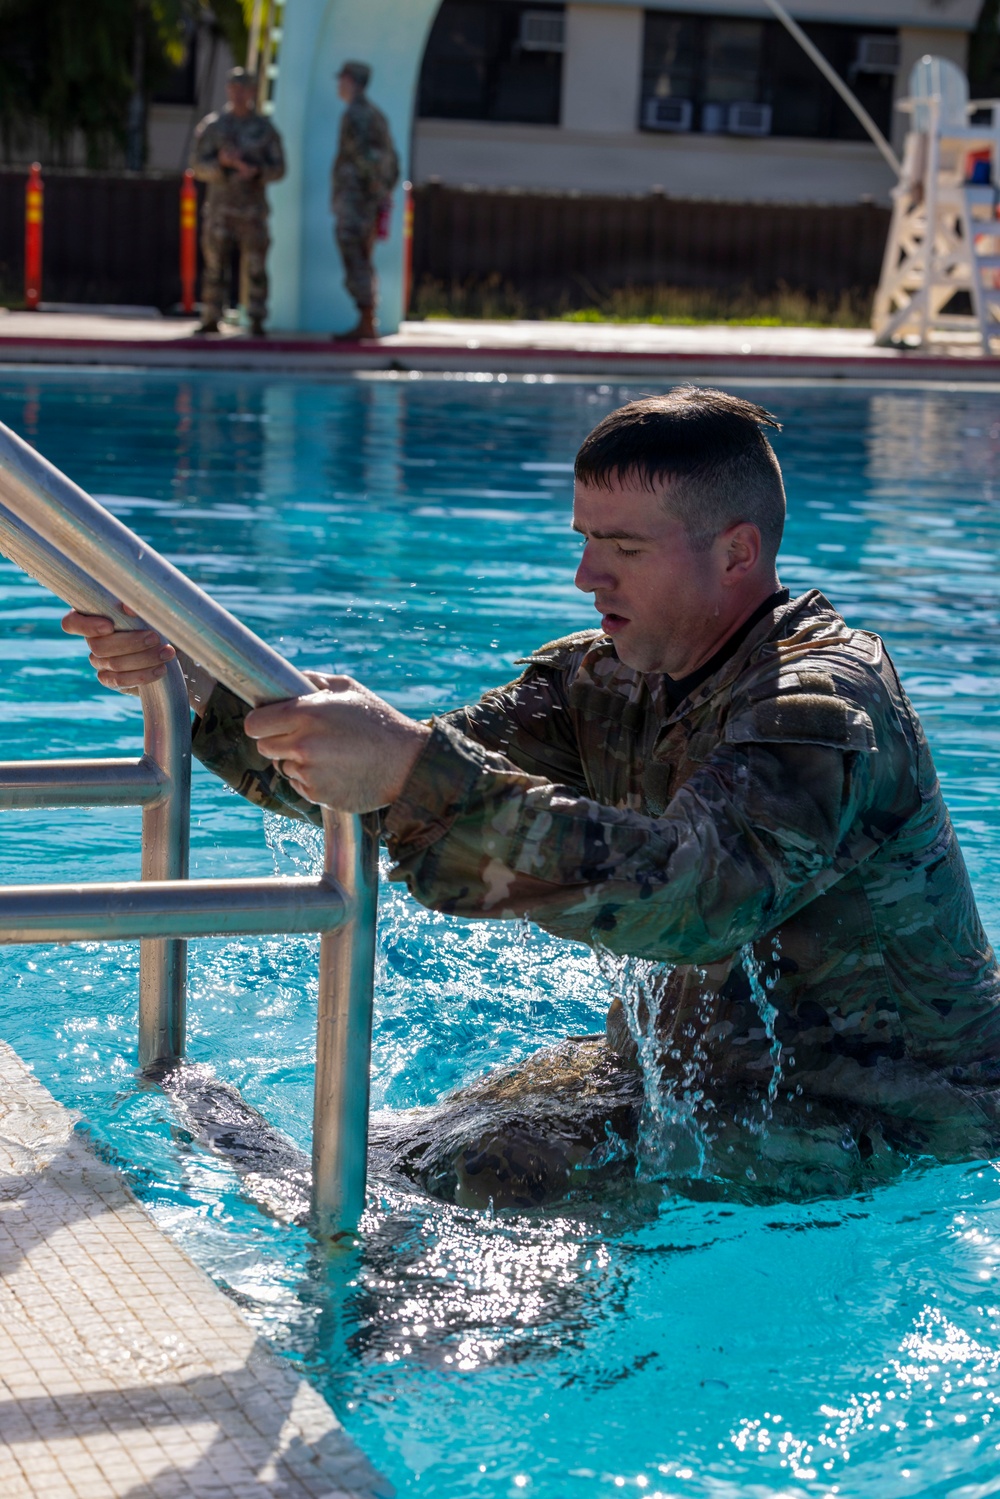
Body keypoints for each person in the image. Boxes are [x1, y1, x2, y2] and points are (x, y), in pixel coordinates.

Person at [63, 387, 1000, 1207]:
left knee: (495, 1167)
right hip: (699, 1075)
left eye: (622, 548)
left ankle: (462, 1358)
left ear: (737, 552)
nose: (586, 577)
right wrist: (203, 677)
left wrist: (407, 770)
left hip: (889, 1110)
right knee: (414, 1140)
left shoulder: (824, 709)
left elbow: (692, 899)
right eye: (585, 541)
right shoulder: (604, 680)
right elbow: (389, 780)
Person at [189, 66, 286, 338]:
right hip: (220, 209)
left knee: (255, 267)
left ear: (253, 92)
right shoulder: (214, 126)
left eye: (244, 89)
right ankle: (211, 317)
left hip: (252, 211)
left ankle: (256, 319)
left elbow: (279, 168)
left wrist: (257, 172)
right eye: (234, 88)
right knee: (214, 267)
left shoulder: (264, 129)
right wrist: (221, 164)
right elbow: (197, 165)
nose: (239, 94)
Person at [330, 61, 399, 342]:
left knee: (355, 254)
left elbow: (361, 158)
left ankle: (366, 319)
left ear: (350, 80)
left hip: (358, 201)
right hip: (365, 199)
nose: (339, 86)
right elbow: (392, 161)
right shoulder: (375, 115)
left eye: (342, 80)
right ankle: (366, 318)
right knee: (362, 256)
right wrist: (382, 191)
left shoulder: (357, 115)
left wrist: (370, 193)